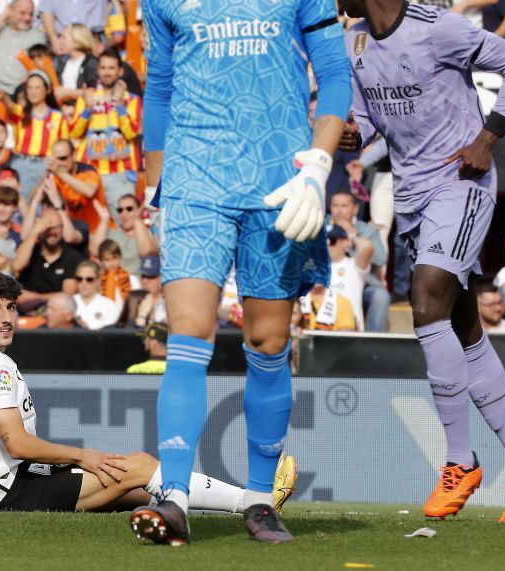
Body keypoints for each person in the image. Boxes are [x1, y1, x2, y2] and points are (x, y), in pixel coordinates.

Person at [135, 0, 350, 545]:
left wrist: (320, 166)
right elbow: (158, 84)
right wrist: (154, 184)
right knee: (188, 330)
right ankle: (174, 497)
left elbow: (333, 73)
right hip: (194, 179)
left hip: (280, 180)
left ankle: (260, 499)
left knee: (268, 338)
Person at [340, 0, 505, 524]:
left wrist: (488, 137)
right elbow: (368, 115)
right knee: (463, 332)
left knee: (426, 299)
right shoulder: (356, 39)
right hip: (412, 194)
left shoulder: (437, 28)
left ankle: (460, 460)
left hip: (461, 183)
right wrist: (356, 134)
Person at [0, 270, 296, 515]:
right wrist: (82, 456)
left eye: (10, 307)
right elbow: (18, 444)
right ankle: (256, 502)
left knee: (138, 489)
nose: (6, 318)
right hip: (11, 490)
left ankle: (185, 511)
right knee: (140, 465)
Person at [70, 50, 141, 225]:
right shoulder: (87, 98)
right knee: (90, 225)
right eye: (103, 67)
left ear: (120, 71)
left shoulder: (131, 100)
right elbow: (74, 132)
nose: (107, 72)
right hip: (90, 174)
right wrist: (87, 109)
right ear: (98, 71)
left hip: (120, 173)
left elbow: (131, 132)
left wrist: (120, 106)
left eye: (111, 68)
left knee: (124, 226)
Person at [0, 71, 68, 201]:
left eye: (37, 87)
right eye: (30, 87)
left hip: (46, 165)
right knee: (19, 202)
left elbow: (63, 145)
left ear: (47, 90)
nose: (33, 92)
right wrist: (2, 95)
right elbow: (9, 105)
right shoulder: (21, 113)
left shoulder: (58, 117)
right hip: (21, 164)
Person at [327, 190, 389, 331]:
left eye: (344, 206)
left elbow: (381, 259)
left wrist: (352, 234)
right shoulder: (323, 225)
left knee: (380, 296)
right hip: (328, 281)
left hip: (364, 282)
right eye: (335, 205)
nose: (338, 210)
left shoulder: (367, 230)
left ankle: (373, 344)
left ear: (355, 209)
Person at [13, 207, 83, 308]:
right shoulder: (30, 251)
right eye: (47, 227)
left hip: (57, 313)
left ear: (62, 228)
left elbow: (67, 297)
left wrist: (34, 298)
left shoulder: (73, 257)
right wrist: (34, 232)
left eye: (55, 227)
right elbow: (17, 266)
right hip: (26, 313)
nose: (51, 232)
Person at [0, 0, 47, 97]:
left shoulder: (37, 36)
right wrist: (4, 16)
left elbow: (41, 65)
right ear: (11, 11)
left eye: (31, 14)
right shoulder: (0, 28)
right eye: (22, 13)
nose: (27, 18)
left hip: (16, 89)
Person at [324, 225, 372, 331]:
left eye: (332, 241)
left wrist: (352, 237)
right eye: (323, 241)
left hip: (349, 329)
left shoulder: (353, 265)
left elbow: (367, 247)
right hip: (321, 327)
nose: (327, 246)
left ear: (345, 242)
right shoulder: (314, 268)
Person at [92, 194, 140, 274]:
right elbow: (94, 250)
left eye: (129, 209)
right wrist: (104, 220)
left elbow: (148, 251)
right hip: (115, 282)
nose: (124, 213)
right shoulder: (110, 233)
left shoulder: (149, 233)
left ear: (139, 210)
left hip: (142, 282)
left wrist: (138, 223)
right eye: (120, 210)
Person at [72, 260, 119, 330]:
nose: (84, 283)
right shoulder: (67, 302)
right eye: (79, 279)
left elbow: (109, 333)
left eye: (89, 279)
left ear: (98, 281)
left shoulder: (110, 306)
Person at [133, 255, 165, 328]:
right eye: (143, 276)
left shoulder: (170, 303)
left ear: (162, 277)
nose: (145, 281)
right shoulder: (132, 300)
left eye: (151, 276)